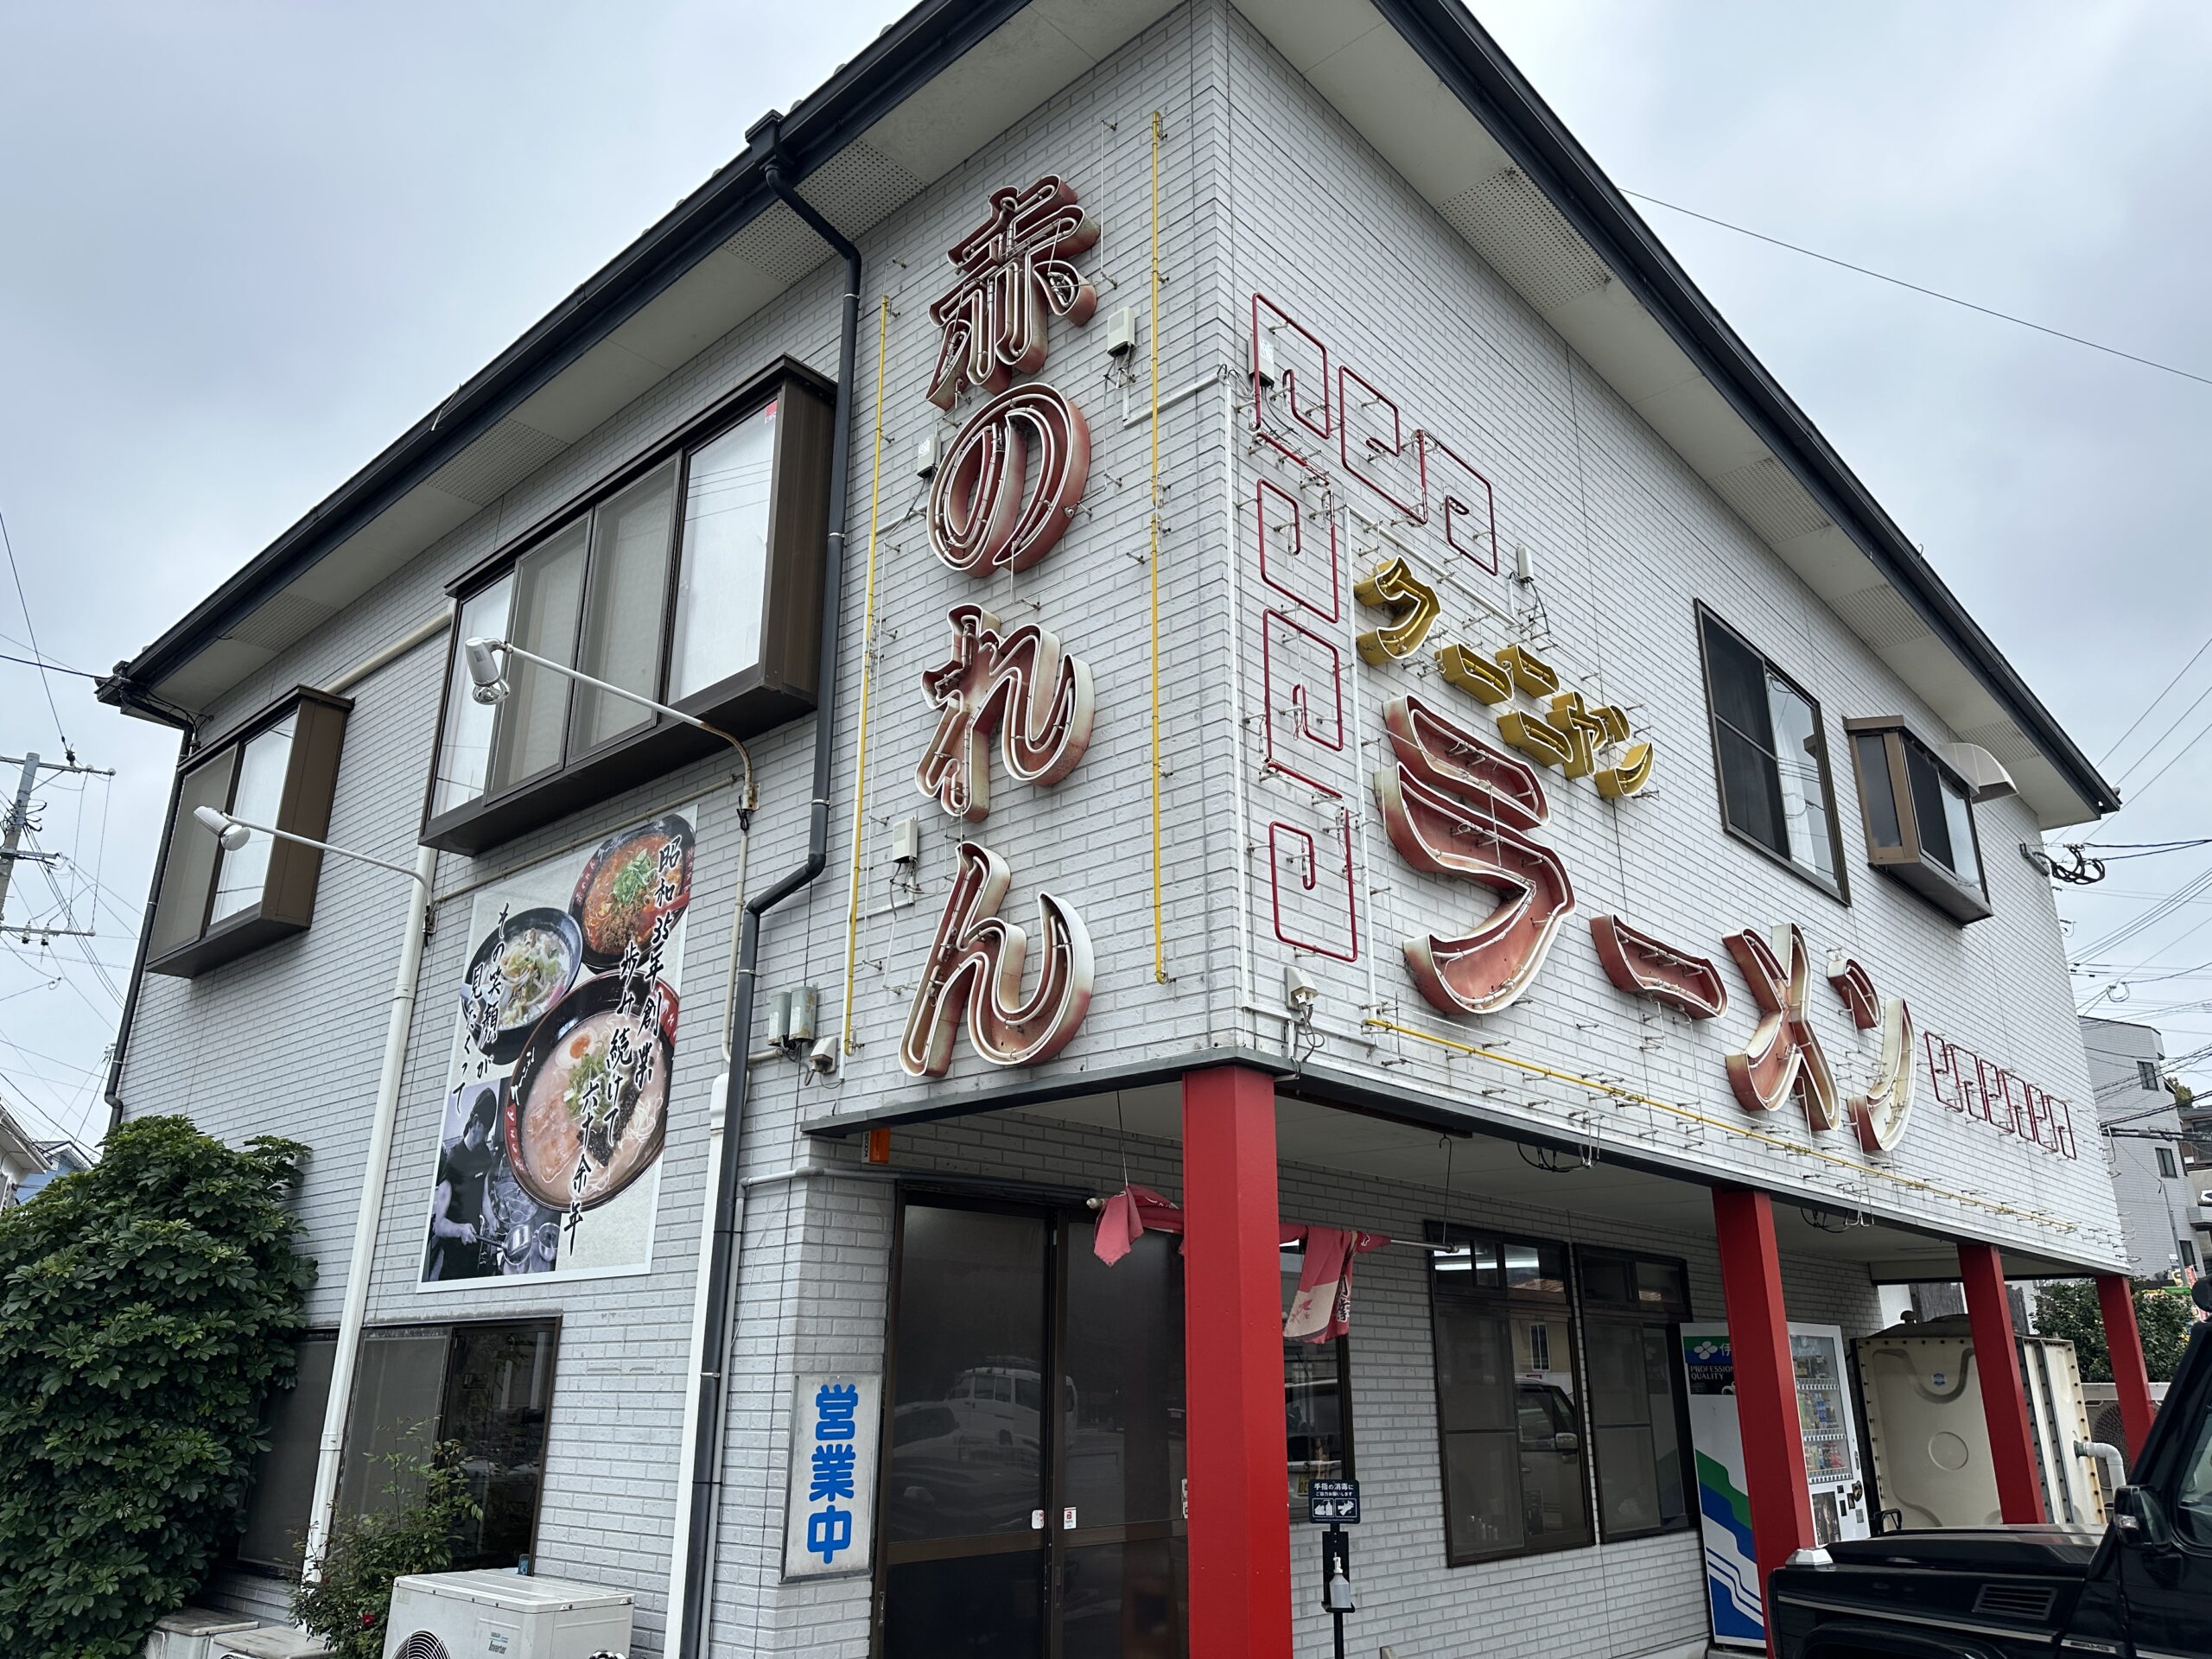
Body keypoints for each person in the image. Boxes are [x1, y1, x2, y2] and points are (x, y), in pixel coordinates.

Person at [424, 1084, 501, 1281]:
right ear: (475, 1121)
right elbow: (438, 1225)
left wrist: (491, 1218)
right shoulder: (454, 1162)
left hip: (474, 1242)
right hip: (454, 1255)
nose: (486, 1138)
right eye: (484, 1132)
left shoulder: (485, 1155)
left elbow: (484, 1196)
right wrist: (460, 1230)